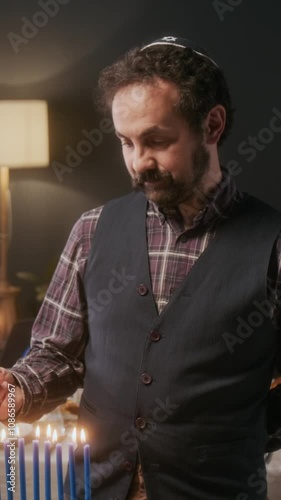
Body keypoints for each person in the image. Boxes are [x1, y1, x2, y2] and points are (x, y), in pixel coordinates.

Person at [0, 36, 280, 500]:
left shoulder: (272, 243)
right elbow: (57, 356)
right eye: (126, 142)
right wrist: (14, 391)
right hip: (97, 487)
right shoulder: (91, 230)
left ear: (212, 125)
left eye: (156, 140)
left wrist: (243, 432)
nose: (138, 163)